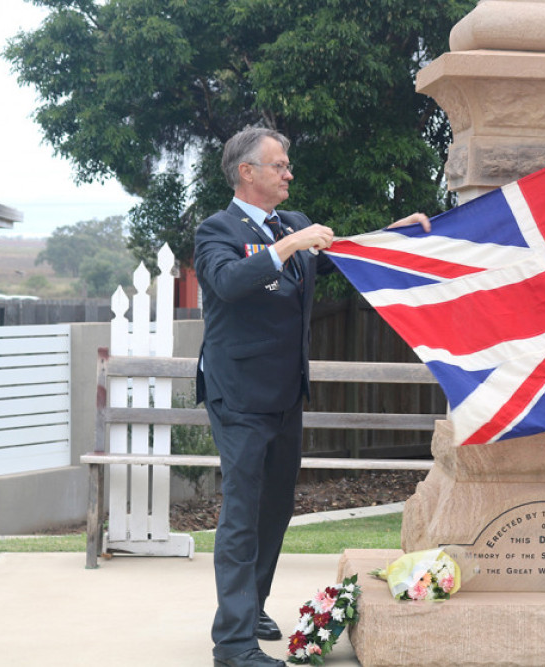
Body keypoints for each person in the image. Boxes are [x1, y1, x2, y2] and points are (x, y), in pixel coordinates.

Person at [194, 126, 429, 667]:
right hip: (238, 395)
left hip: (284, 394)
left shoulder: (293, 226)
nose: (288, 174)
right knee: (241, 514)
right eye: (278, 165)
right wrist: (288, 245)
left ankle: (250, 607)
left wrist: (394, 233)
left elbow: (341, 255)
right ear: (246, 172)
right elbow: (227, 282)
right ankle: (232, 645)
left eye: (287, 164)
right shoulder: (218, 230)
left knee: (274, 508)